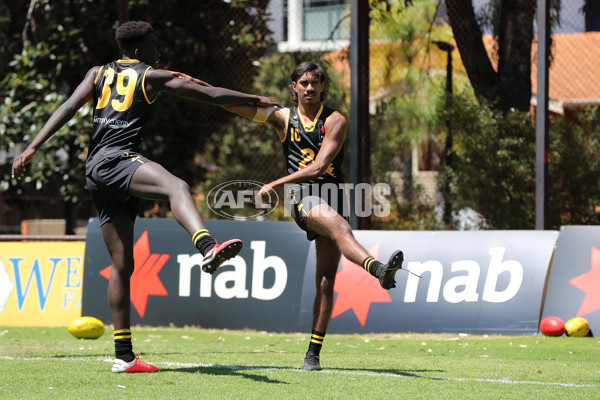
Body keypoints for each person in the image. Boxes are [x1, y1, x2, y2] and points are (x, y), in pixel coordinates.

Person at [11, 21, 280, 373]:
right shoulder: (150, 76)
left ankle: (124, 357)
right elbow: (212, 95)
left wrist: (33, 146)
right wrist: (256, 101)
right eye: (154, 47)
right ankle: (206, 247)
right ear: (139, 52)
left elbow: (67, 107)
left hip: (95, 169)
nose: (158, 52)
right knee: (177, 187)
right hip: (119, 161)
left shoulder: (97, 73)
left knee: (122, 265)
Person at [173, 62, 404, 371]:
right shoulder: (283, 118)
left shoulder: (335, 120)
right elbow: (230, 102)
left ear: (323, 86)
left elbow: (320, 167)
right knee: (339, 226)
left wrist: (272, 184)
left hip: (332, 195)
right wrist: (195, 81)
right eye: (304, 82)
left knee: (326, 281)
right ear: (294, 86)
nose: (309, 87)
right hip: (303, 197)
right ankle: (379, 270)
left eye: (315, 82)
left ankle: (312, 356)